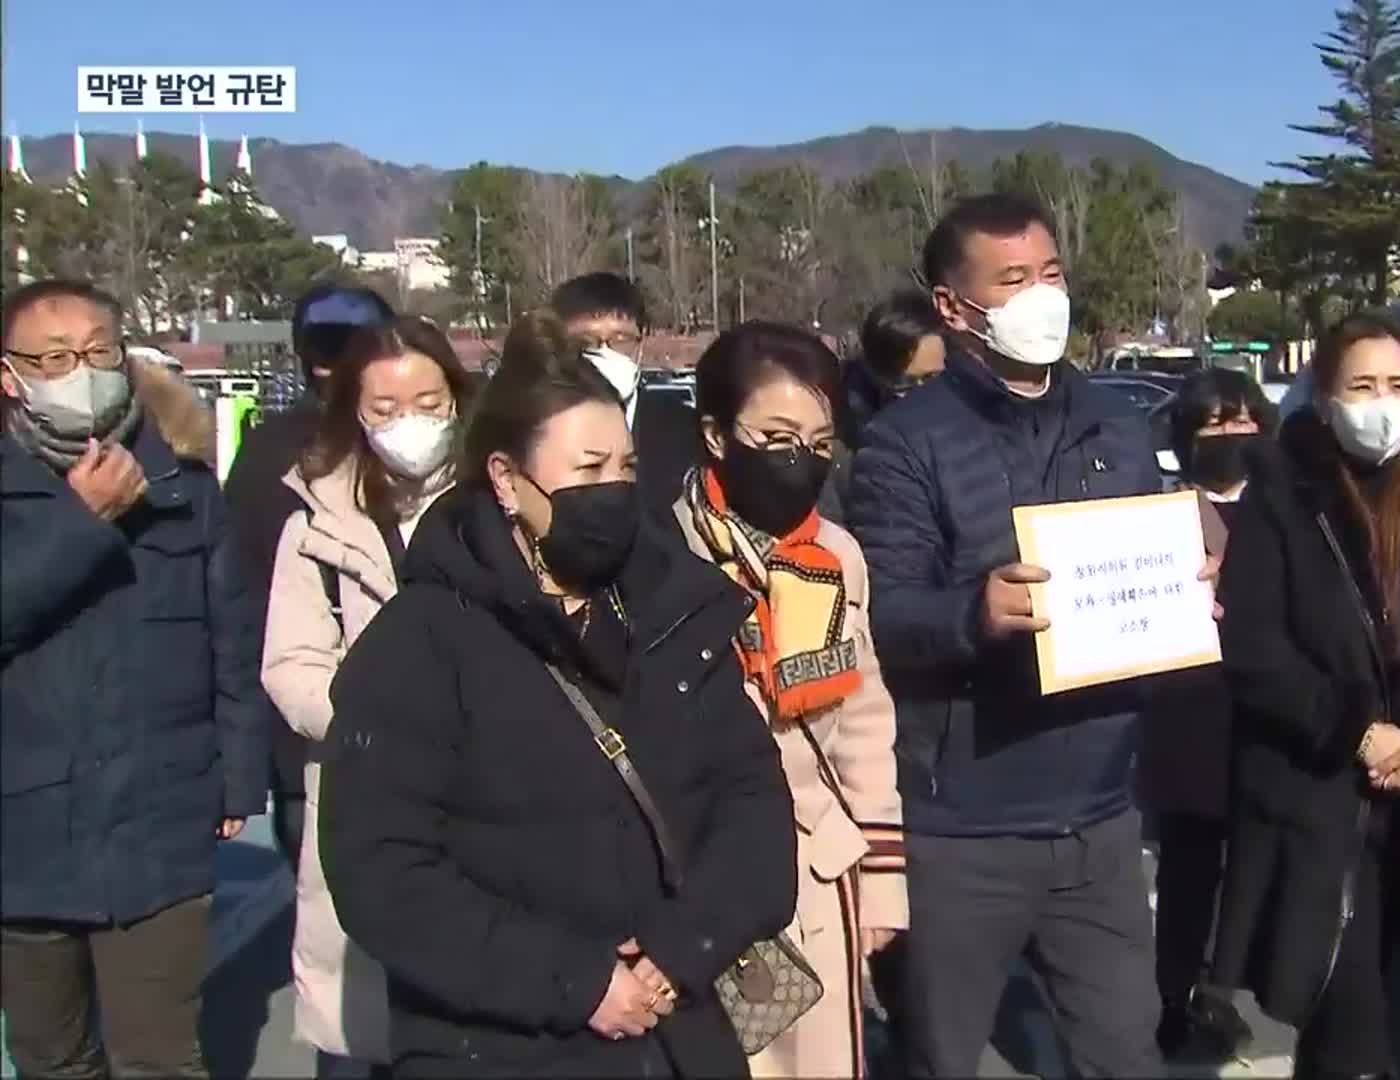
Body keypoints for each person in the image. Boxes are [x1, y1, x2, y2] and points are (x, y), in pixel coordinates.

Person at [317, 309, 797, 1078]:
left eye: (627, 468)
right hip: (499, 1046)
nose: (612, 491)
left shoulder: (675, 612)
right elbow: (382, 871)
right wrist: (575, 983)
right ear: (508, 480)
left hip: (679, 1029)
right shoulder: (424, 642)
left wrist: (680, 951)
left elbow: (753, 804)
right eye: (587, 470)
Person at [846, 193, 1168, 1078]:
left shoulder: (1118, 424)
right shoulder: (905, 444)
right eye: (1015, 280)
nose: (1043, 297)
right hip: (965, 827)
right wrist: (972, 615)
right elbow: (886, 614)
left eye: (1052, 274)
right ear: (953, 307)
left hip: (1101, 813)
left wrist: (1191, 587)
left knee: (1124, 1052)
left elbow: (1152, 572)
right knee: (943, 1058)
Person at [1210, 311, 1400, 1080]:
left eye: (1398, 385)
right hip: (1320, 797)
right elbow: (1256, 647)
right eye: (1362, 385)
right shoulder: (1282, 491)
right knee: (1345, 1024)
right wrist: (1357, 731)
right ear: (1325, 396)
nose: (1382, 403)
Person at [0, 279, 270, 1077]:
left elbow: (233, 642)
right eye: (53, 358)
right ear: (10, 375)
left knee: (157, 1056)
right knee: (52, 1057)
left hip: (161, 819)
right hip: (24, 831)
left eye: (96, 352)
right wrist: (80, 523)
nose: (80, 371)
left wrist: (238, 781)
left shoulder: (186, 488)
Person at [672, 321, 907, 1078]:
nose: (797, 459)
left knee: (816, 1061)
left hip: (816, 870)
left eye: (816, 440)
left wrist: (882, 887)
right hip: (700, 877)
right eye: (774, 436)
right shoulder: (661, 559)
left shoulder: (834, 557)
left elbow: (865, 726)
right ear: (716, 434)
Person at [260, 316, 475, 1079]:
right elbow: (290, 664)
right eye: (384, 407)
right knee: (364, 1037)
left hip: (484, 796)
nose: (407, 422)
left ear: (457, 398)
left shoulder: (499, 504)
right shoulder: (315, 524)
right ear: (352, 408)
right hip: (362, 790)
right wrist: (373, 727)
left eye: (427, 399)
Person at [224, 283, 395, 867]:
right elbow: (243, 602)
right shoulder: (271, 456)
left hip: (382, 732)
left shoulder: (405, 450)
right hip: (306, 733)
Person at [1136, 367, 1272, 1062]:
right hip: (1188, 718)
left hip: (1269, 717)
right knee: (1190, 872)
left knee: (1255, 868)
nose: (1231, 436)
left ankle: (1226, 991)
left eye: (1245, 419)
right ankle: (1174, 997)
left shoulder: (1289, 513)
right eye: (1214, 423)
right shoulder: (1154, 518)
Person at [551, 271, 701, 519]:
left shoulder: (686, 430)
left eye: (620, 340)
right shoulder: (535, 431)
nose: (604, 354)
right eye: (585, 343)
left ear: (640, 347)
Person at [821, 291, 947, 524]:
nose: (920, 398)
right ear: (876, 377)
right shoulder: (841, 451)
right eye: (905, 384)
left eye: (932, 381)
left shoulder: (973, 432)